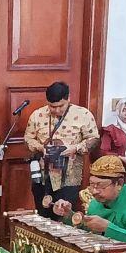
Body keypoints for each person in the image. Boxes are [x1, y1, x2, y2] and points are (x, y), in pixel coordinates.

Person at [49, 154, 126, 253]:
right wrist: (68, 214)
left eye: (100, 185)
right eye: (92, 184)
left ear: (119, 183)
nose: (94, 191)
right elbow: (88, 230)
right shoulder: (96, 201)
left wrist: (108, 228)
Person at [24, 81, 99, 216]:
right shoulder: (37, 115)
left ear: (68, 98)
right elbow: (28, 139)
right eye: (52, 106)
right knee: (43, 213)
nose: (57, 110)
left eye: (61, 106)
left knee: (65, 215)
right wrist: (41, 148)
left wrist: (75, 148)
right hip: (43, 175)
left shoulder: (83, 114)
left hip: (69, 174)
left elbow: (94, 139)